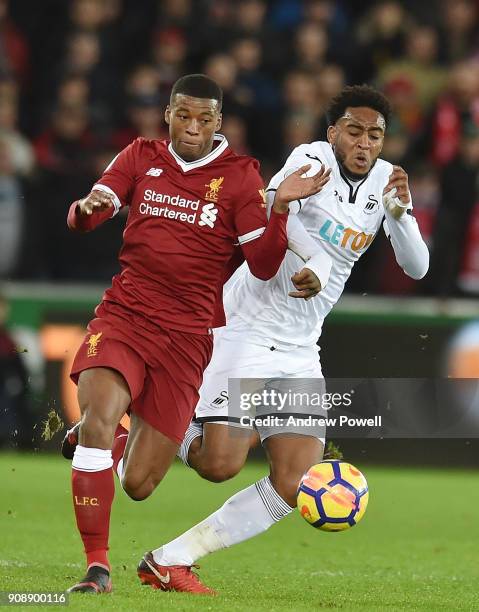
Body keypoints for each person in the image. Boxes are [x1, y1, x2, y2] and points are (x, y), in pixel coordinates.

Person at [137, 85, 430, 594]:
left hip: (300, 346)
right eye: (355, 130)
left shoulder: (386, 181)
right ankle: (139, 416)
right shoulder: (311, 159)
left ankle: (172, 558)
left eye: (375, 135)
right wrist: (316, 261)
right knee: (218, 464)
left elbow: (417, 266)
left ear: (384, 142)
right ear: (333, 131)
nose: (364, 142)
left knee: (295, 480)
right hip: (246, 327)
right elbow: (267, 208)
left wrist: (401, 215)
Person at [62, 73, 331, 594]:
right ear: (167, 114)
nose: (192, 127)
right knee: (96, 422)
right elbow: (91, 210)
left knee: (140, 484)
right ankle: (97, 567)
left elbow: (262, 264)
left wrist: (277, 208)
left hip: (187, 339)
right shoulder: (140, 156)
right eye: (183, 116)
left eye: (204, 118)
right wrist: (84, 211)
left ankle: (118, 434)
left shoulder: (240, 178)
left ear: (218, 121)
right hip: (126, 315)